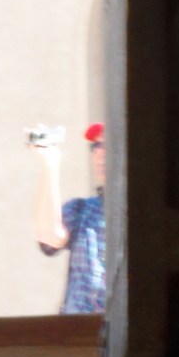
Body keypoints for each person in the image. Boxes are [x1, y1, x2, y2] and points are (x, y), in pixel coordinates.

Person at [33, 120, 108, 317]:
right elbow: (50, 236)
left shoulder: (144, 214)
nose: (100, 153)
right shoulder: (82, 210)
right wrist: (50, 165)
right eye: (95, 146)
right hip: (81, 337)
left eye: (107, 145)